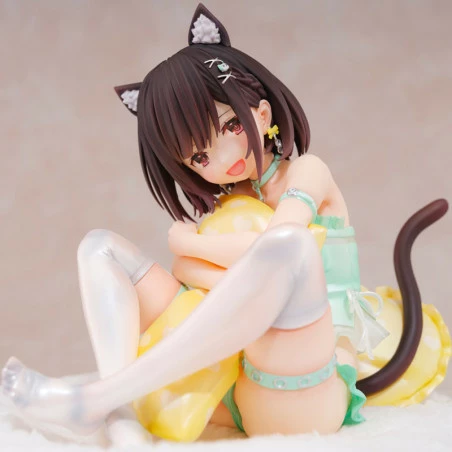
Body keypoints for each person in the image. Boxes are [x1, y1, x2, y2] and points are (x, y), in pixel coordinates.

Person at [1, 3, 442, 446]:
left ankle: (96, 399)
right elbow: (192, 277)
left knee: (293, 246)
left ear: (262, 115)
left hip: (303, 384)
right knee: (99, 247)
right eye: (199, 156)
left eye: (230, 126)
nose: (223, 158)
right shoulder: (233, 204)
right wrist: (223, 275)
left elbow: (278, 248)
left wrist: (189, 244)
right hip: (233, 383)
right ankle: (120, 419)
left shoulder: (307, 172)